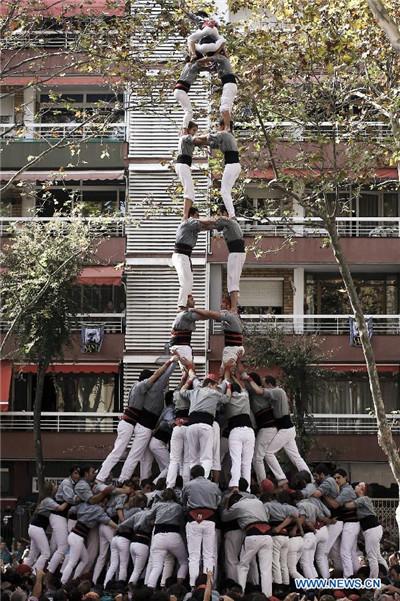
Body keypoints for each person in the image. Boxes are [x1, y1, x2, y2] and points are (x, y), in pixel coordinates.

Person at [96, 363, 177, 485]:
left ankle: (103, 475)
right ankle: (118, 479)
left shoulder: (135, 387)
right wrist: (172, 362)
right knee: (130, 454)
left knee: (135, 455)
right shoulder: (144, 387)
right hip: (136, 425)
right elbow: (160, 376)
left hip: (132, 423)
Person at [117, 357, 178, 484]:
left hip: (145, 428)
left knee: (145, 459)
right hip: (144, 428)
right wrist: (174, 362)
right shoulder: (155, 389)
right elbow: (165, 376)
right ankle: (123, 479)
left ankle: (144, 482)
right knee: (136, 455)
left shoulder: (149, 391)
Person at [244, 375, 311, 485]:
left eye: (265, 385)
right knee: (296, 457)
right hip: (287, 429)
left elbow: (260, 391)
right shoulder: (279, 393)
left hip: (285, 429)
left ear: (270, 384)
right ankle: (310, 479)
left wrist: (249, 380)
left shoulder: (277, 391)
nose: (263, 387)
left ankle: (281, 478)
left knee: (269, 453)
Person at [179, 367, 230, 478]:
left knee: (193, 458)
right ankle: (203, 480)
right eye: (215, 385)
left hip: (191, 426)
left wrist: (189, 379)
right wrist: (229, 387)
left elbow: (182, 391)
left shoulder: (194, 391)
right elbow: (226, 399)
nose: (216, 387)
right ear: (211, 384)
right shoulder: (215, 393)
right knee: (206, 458)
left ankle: (192, 481)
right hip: (206, 426)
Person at [221, 493, 273, 597]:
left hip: (253, 534)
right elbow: (268, 516)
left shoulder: (239, 505)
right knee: (266, 569)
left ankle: (240, 594)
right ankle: (267, 596)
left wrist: (226, 504)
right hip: (268, 535)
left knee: (242, 566)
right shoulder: (259, 502)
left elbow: (224, 517)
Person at [182, 465, 222, 587]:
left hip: (193, 519)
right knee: (208, 555)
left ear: (192, 475)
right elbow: (218, 501)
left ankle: (193, 586)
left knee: (194, 556)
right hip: (210, 519)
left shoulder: (188, 485)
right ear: (204, 473)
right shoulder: (214, 486)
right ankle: (208, 585)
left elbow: (183, 501)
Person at [61, 502, 117, 584]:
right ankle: (63, 582)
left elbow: (72, 510)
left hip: (73, 534)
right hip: (78, 538)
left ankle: (74, 579)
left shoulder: (85, 505)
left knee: (85, 559)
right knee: (72, 562)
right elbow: (108, 521)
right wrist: (119, 526)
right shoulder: (99, 510)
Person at [171, 206, 216, 310]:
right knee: (185, 281)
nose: (198, 217)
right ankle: (181, 305)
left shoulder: (193, 226)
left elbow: (206, 226)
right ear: (192, 215)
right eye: (197, 215)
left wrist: (218, 226)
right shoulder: (188, 222)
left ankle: (187, 302)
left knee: (190, 281)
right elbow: (204, 223)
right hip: (180, 255)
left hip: (185, 256)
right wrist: (217, 220)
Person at [195, 121, 241, 217]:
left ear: (223, 126)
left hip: (231, 165)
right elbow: (211, 143)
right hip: (235, 166)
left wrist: (195, 137)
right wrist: (197, 142)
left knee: (224, 191)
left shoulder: (224, 133)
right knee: (226, 191)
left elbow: (209, 136)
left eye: (218, 126)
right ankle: (231, 214)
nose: (217, 129)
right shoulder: (228, 136)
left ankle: (232, 215)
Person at [146, 488, 188, 588]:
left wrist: (154, 521)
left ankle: (150, 588)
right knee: (184, 562)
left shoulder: (157, 505)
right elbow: (182, 522)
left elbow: (147, 517)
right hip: (174, 535)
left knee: (157, 566)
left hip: (159, 536)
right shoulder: (178, 507)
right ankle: (177, 587)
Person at [345, 481, 388, 579]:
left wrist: (341, 499)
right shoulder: (363, 499)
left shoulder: (363, 499)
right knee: (377, 555)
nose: (356, 486)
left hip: (371, 530)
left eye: (359, 485)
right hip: (374, 529)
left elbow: (348, 506)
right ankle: (386, 574)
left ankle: (372, 581)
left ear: (362, 489)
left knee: (372, 557)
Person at [24, 482, 69, 572]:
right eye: (54, 486)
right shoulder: (48, 500)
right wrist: (68, 500)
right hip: (38, 529)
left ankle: (21, 570)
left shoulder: (45, 499)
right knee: (46, 553)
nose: (56, 487)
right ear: (51, 490)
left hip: (33, 527)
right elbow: (60, 508)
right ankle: (34, 572)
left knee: (32, 555)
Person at [190, 294, 244, 368]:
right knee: (235, 368)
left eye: (223, 303)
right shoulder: (234, 315)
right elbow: (212, 316)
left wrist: (194, 310)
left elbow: (211, 314)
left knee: (224, 371)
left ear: (228, 306)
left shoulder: (228, 315)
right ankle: (247, 378)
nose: (220, 305)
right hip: (239, 347)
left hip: (232, 348)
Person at [323, 468, 360, 578]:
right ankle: (357, 575)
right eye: (335, 478)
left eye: (339, 477)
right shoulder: (342, 489)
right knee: (351, 552)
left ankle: (348, 578)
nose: (336, 480)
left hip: (351, 524)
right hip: (351, 524)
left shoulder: (346, 490)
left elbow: (335, 505)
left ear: (345, 478)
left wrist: (324, 494)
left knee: (345, 552)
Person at [47, 466, 81, 574]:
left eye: (79, 474)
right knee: (63, 547)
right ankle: (49, 572)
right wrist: (84, 497)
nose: (77, 476)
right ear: (71, 474)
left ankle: (50, 570)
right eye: (75, 473)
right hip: (58, 517)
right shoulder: (67, 483)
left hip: (61, 517)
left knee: (54, 547)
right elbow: (70, 498)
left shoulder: (73, 484)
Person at [215, 207, 246, 310]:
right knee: (232, 282)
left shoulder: (229, 221)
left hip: (236, 253)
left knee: (233, 282)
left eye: (220, 214)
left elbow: (214, 223)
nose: (219, 217)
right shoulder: (231, 223)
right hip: (236, 253)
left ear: (225, 213)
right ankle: (233, 306)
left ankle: (234, 308)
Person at [175, 121, 199, 220]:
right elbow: (197, 140)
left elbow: (200, 142)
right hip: (183, 164)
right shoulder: (186, 137)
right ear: (188, 129)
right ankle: (185, 216)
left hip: (184, 165)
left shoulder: (188, 139)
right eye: (193, 130)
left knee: (191, 193)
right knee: (189, 192)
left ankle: (187, 214)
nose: (194, 132)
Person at [169, 295, 202, 365]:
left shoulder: (181, 314)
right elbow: (204, 316)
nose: (194, 301)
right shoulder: (185, 315)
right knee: (191, 368)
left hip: (177, 346)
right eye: (192, 300)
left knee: (185, 373)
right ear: (185, 303)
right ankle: (193, 376)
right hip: (182, 346)